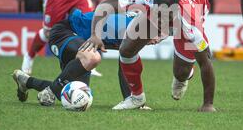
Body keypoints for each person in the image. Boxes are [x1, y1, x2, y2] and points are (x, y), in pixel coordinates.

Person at [79, 0, 217, 112]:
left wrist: (208, 104)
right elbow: (105, 5)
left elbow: (206, 62)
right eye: (158, 15)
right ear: (152, 5)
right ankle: (136, 98)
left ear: (174, 12)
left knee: (181, 72)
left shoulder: (191, 24)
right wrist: (95, 35)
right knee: (126, 49)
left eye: (166, 18)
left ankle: (184, 76)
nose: (161, 22)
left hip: (195, 2)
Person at [12, 9, 151, 108]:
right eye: (157, 35)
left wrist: (131, 100)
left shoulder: (135, 27)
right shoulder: (130, 29)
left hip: (79, 42)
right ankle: (49, 92)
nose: (157, 40)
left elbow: (125, 67)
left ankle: (27, 81)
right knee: (93, 58)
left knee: (78, 93)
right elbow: (76, 14)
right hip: (64, 33)